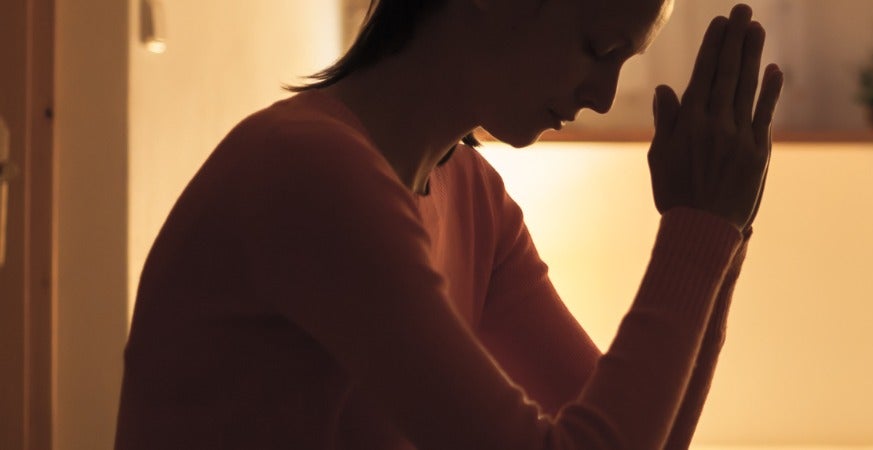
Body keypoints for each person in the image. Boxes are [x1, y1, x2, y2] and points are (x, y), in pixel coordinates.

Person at [113, 0, 783, 448]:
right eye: (596, 48)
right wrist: (699, 225)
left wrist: (721, 230)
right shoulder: (308, 173)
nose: (602, 97)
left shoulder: (474, 195)